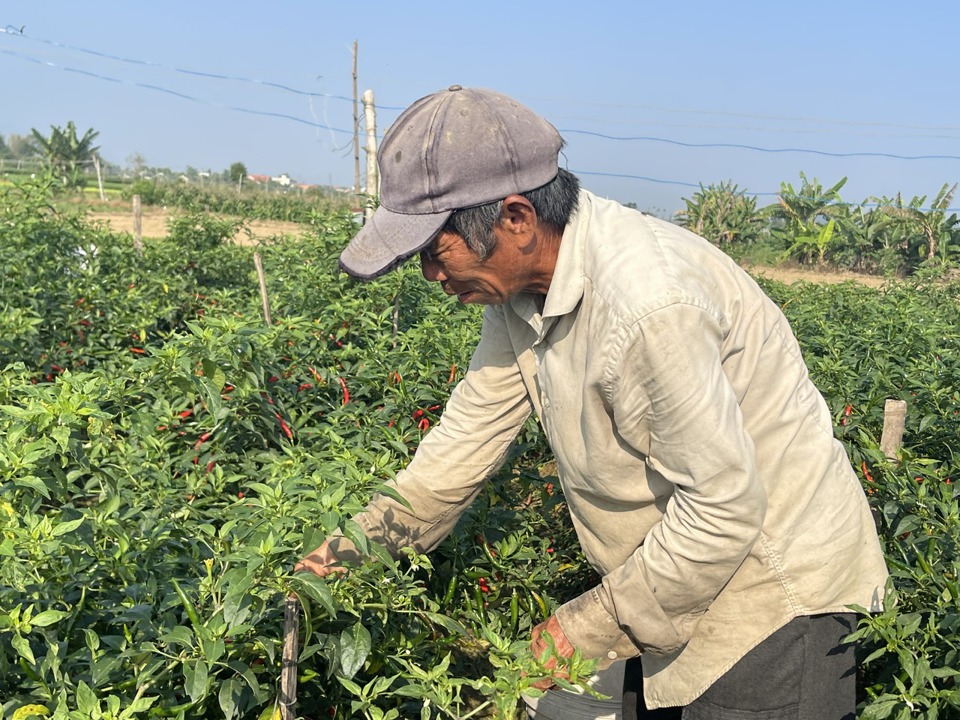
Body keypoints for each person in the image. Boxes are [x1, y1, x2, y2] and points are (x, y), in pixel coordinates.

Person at [295, 85, 888, 718]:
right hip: (670, 577)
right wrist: (342, 555)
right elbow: (460, 448)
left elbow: (722, 509)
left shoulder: (650, 304)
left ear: (516, 220)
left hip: (769, 600)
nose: (431, 278)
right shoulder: (521, 290)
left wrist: (584, 627)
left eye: (436, 253)